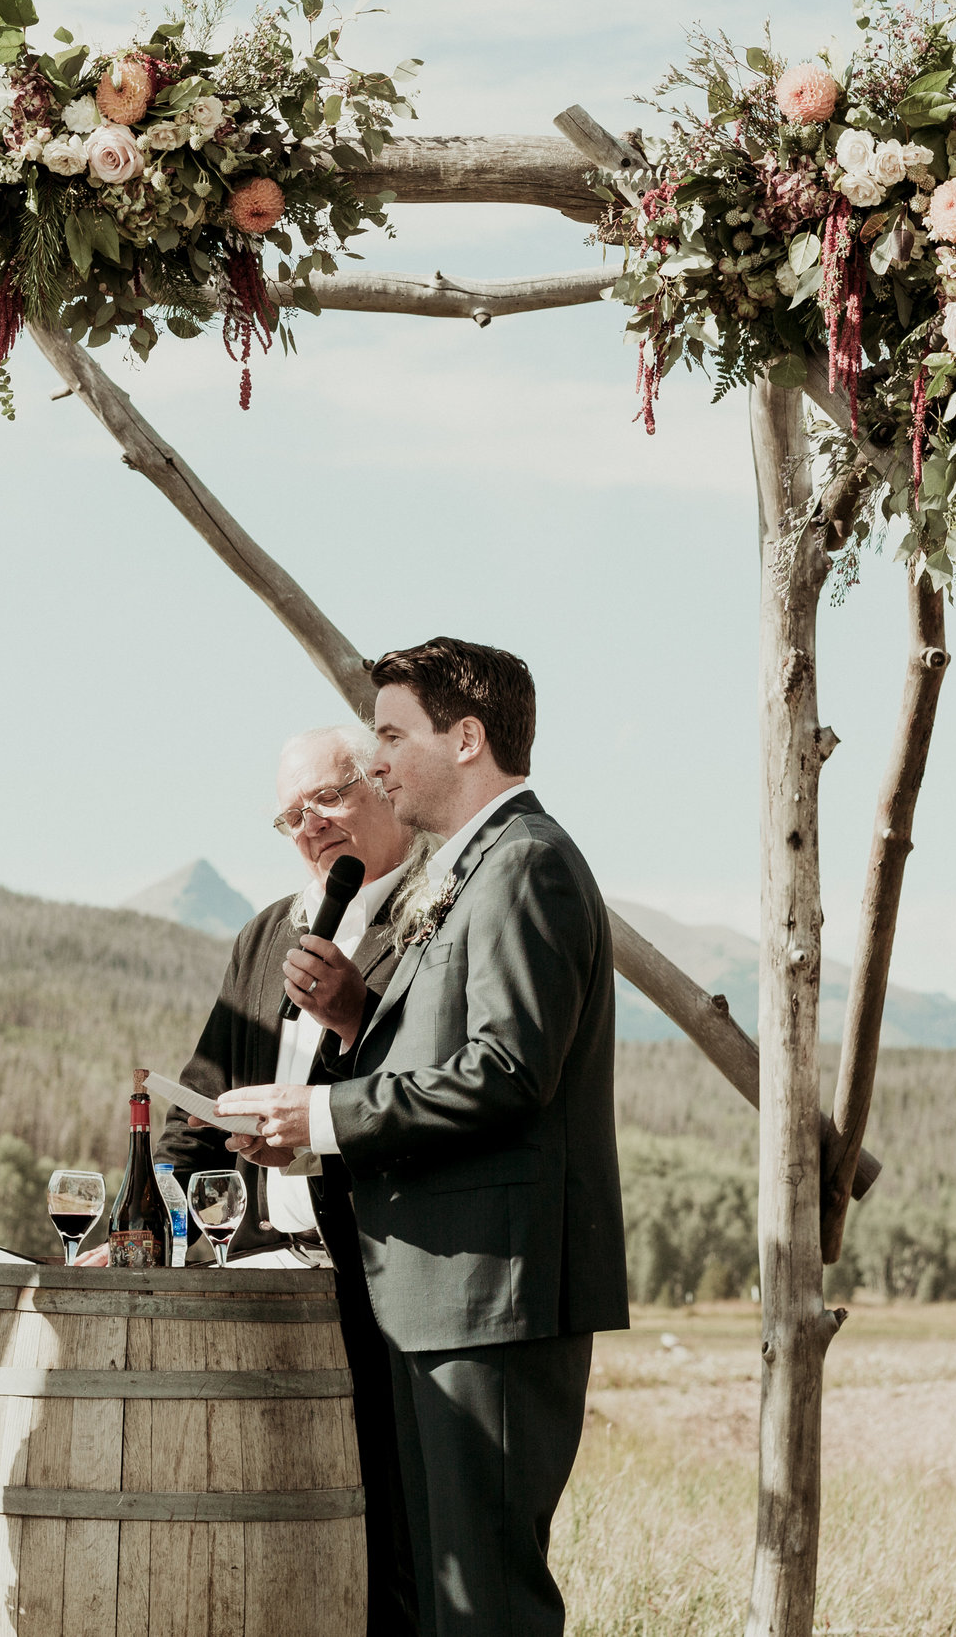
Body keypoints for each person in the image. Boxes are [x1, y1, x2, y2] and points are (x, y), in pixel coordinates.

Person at [218, 638, 629, 1637]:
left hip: (490, 1291)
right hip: (436, 1289)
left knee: (484, 1605)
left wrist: (319, 1116)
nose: (382, 762)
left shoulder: (525, 864)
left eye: (393, 736)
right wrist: (362, 1021)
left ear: (467, 736)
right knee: (430, 1600)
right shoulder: (474, 865)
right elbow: (458, 1048)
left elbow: (510, 1071)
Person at [155, 724, 437, 1637]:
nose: (310, 828)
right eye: (289, 817)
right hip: (260, 1281)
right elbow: (191, 1115)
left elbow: (444, 1096)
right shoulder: (268, 932)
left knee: (395, 1541)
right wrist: (166, 1229)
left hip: (383, 1282)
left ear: (384, 786)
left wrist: (355, 1019)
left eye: (326, 799)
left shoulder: (436, 917)